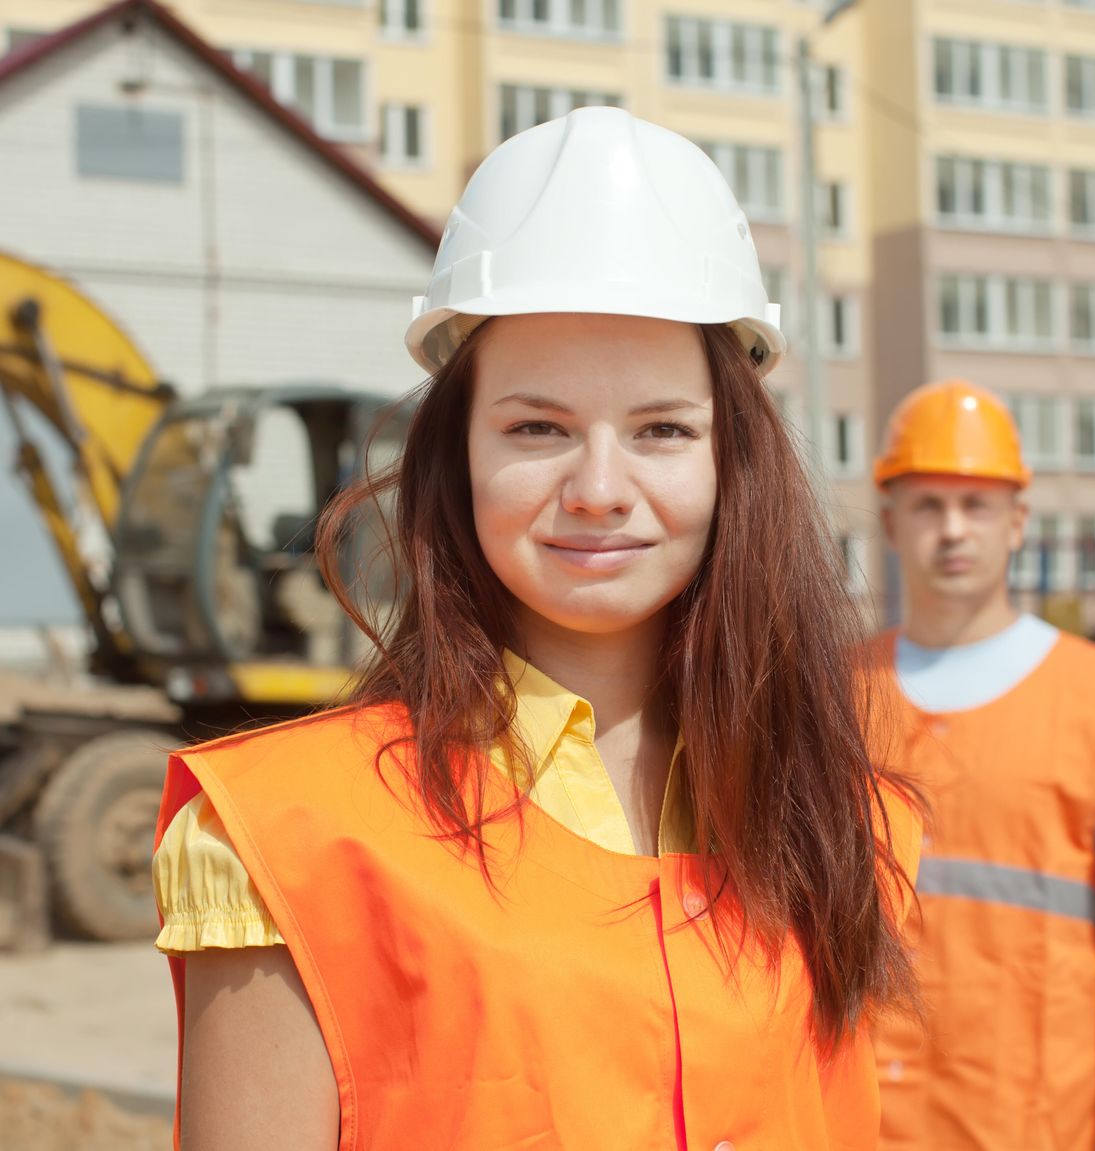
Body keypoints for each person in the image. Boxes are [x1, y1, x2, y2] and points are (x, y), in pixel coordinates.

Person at [151, 106, 921, 1151]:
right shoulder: (291, 836)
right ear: (456, 455)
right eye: (537, 427)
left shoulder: (839, 823)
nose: (600, 488)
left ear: (730, 459)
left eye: (661, 429)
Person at [868, 380, 1095, 1151]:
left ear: (1018, 523)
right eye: (928, 504)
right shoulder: (826, 695)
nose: (952, 530)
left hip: (1038, 1128)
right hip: (858, 1122)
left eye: (976, 506)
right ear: (889, 522)